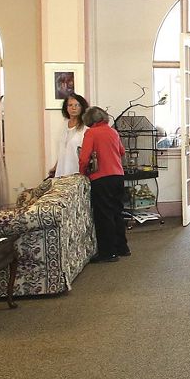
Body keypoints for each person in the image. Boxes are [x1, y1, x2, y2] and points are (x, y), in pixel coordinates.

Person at [78, 106, 130, 262]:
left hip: (101, 178)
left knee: (104, 215)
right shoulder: (113, 131)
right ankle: (122, 247)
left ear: (90, 120)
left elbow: (84, 158)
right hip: (118, 176)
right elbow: (122, 151)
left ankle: (108, 252)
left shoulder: (91, 133)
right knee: (117, 212)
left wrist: (82, 173)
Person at [49, 94, 88, 177]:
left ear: (82, 107)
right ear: (66, 108)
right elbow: (62, 150)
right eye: (70, 105)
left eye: (77, 105)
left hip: (77, 170)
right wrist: (55, 167)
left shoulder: (86, 127)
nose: (73, 108)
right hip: (61, 169)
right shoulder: (64, 124)